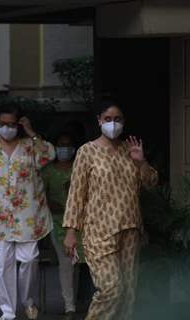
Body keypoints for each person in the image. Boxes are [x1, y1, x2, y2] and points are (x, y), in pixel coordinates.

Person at [62, 100, 159, 320]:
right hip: (99, 231)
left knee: (127, 293)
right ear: (99, 121)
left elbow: (152, 183)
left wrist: (141, 162)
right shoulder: (87, 152)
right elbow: (77, 193)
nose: (112, 124)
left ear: (123, 122)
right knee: (111, 288)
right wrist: (70, 232)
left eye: (117, 119)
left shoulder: (130, 150)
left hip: (130, 228)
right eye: (108, 119)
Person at [0, 103, 55, 320]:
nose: (7, 128)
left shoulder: (29, 145)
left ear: (19, 124)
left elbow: (49, 155)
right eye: (3, 124)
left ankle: (28, 301)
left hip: (28, 216)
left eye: (12, 124)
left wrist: (31, 132)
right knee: (2, 263)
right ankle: (8, 311)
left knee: (30, 259)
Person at [42, 131, 84, 320]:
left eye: (68, 145)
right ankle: (69, 307)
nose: (64, 148)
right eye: (61, 144)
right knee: (66, 264)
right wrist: (51, 204)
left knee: (81, 264)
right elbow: (40, 195)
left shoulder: (80, 168)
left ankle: (86, 302)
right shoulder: (49, 171)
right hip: (59, 223)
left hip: (82, 223)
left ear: (74, 149)